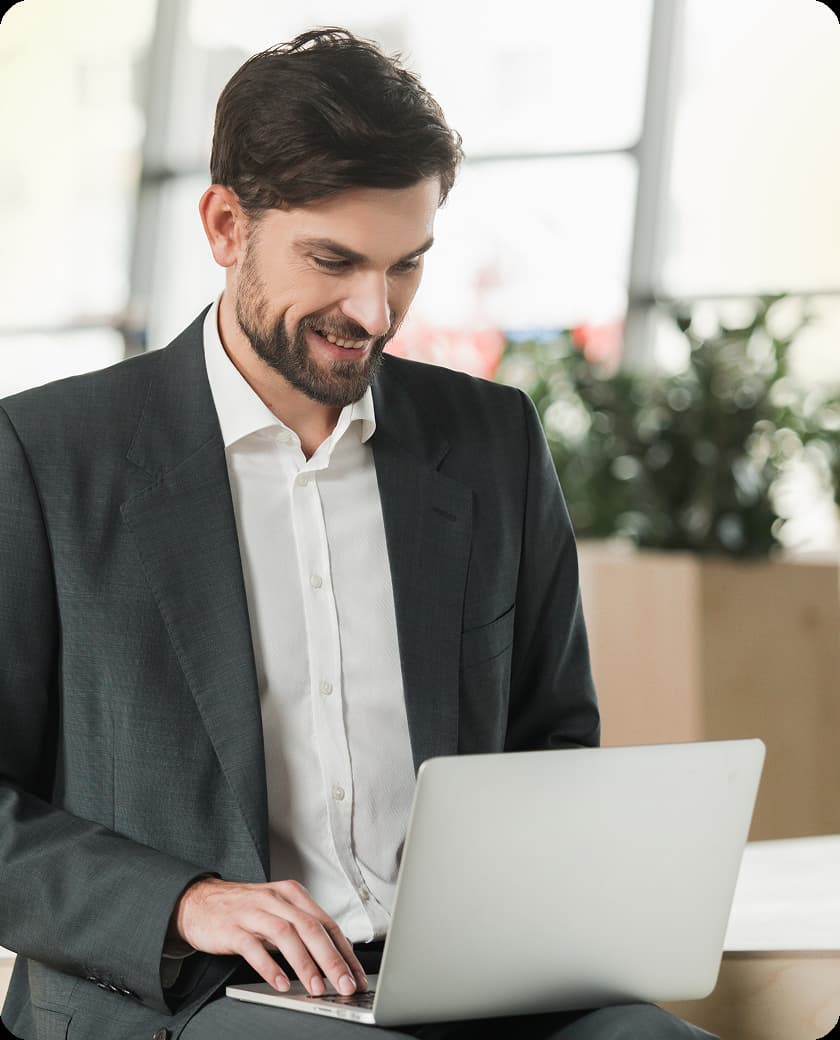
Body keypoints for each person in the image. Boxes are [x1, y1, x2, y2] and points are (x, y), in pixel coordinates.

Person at [0, 27, 716, 1040]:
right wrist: (184, 900)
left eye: (406, 266)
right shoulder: (45, 453)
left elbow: (553, 740)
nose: (374, 312)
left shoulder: (491, 442)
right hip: (190, 991)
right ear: (224, 225)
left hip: (473, 979)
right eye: (333, 260)